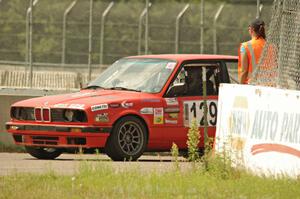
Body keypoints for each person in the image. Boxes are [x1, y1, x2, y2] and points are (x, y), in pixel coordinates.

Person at [238, 18, 266, 84]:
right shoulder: (271, 46)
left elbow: (244, 71)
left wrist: (240, 86)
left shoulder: (245, 46)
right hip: (270, 85)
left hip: (253, 85)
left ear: (251, 30)